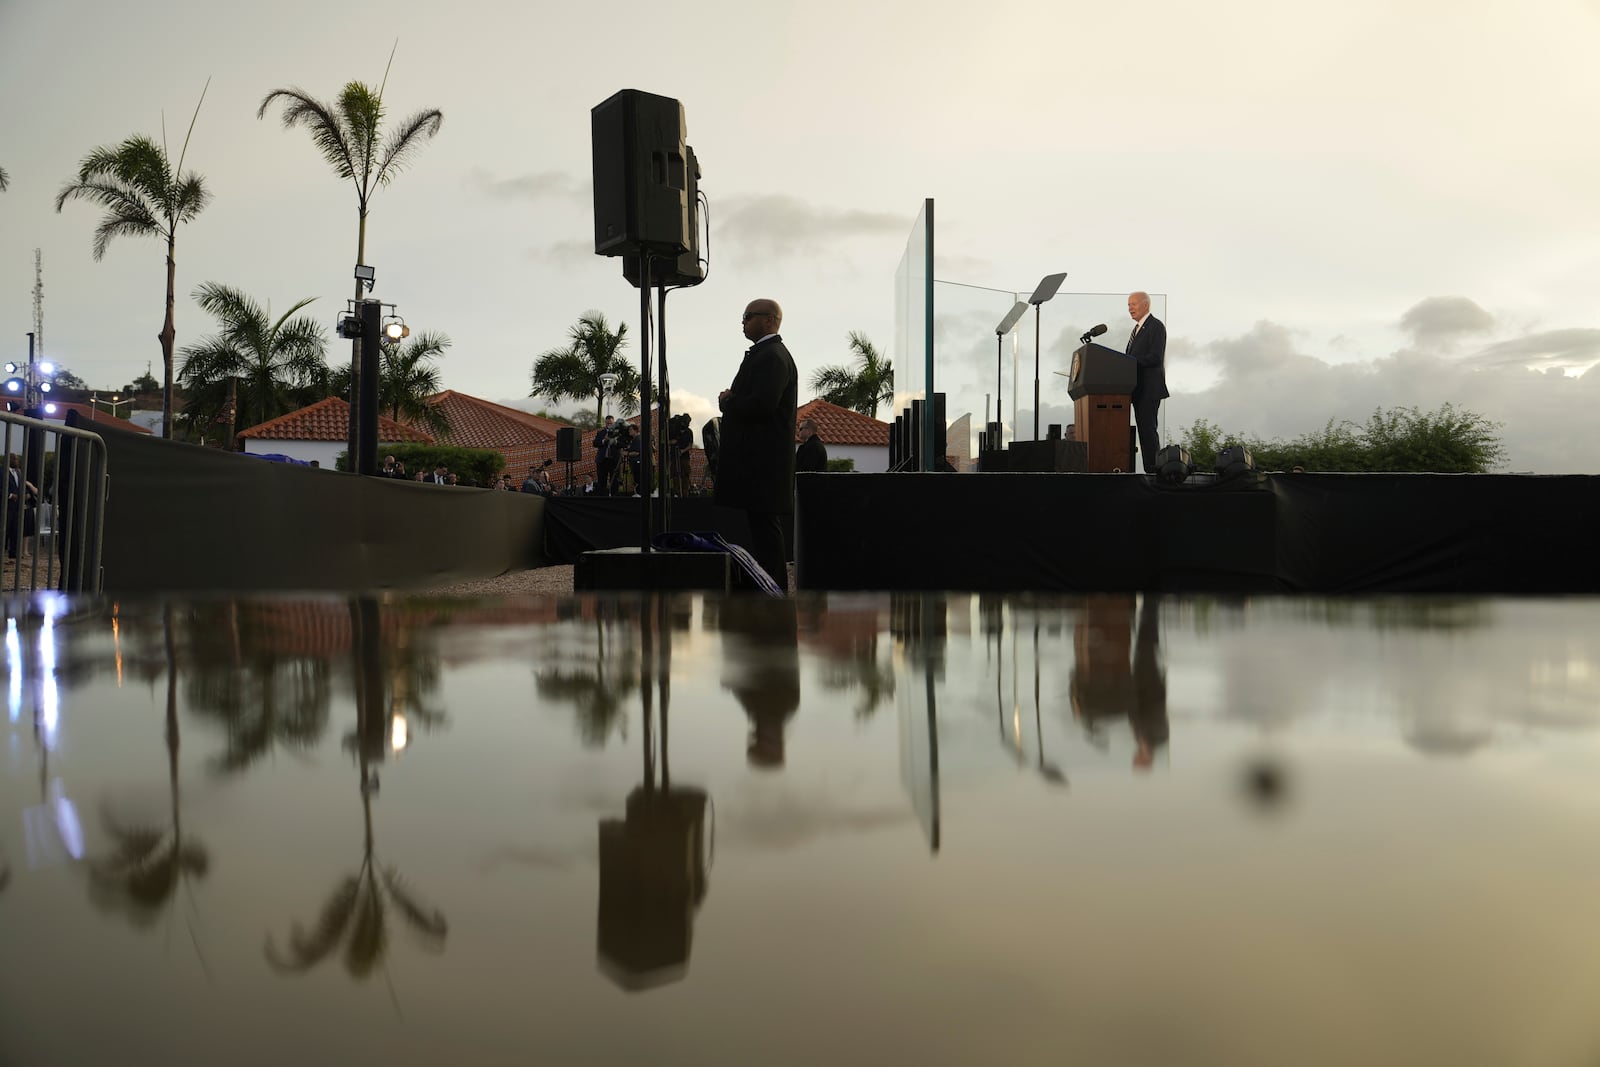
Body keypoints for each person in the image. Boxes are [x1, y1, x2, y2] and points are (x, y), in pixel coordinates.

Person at [715, 298, 798, 589]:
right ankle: (766, 584)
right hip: (759, 461)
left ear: (769, 320)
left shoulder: (773, 356)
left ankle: (773, 588)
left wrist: (729, 401)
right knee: (760, 527)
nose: (743, 322)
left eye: (748, 316)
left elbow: (763, 404)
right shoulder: (765, 354)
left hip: (764, 462)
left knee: (765, 528)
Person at [1126, 291, 1169, 475]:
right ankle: (1149, 469)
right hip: (1137, 389)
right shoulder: (1136, 330)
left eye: (1133, 304)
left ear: (1145, 305)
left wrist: (1130, 361)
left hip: (1149, 389)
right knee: (1143, 434)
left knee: (1148, 432)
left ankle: (1153, 472)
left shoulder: (1155, 326)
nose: (1130, 308)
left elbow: (1155, 357)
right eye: (1128, 305)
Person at [593, 415, 619, 496]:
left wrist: (615, 440)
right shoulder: (601, 432)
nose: (609, 425)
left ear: (613, 423)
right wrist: (604, 440)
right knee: (601, 480)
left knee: (614, 480)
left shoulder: (618, 433)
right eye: (607, 423)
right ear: (605, 423)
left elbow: (622, 444)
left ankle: (614, 498)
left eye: (611, 423)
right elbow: (595, 443)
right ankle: (602, 498)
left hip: (614, 460)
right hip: (602, 460)